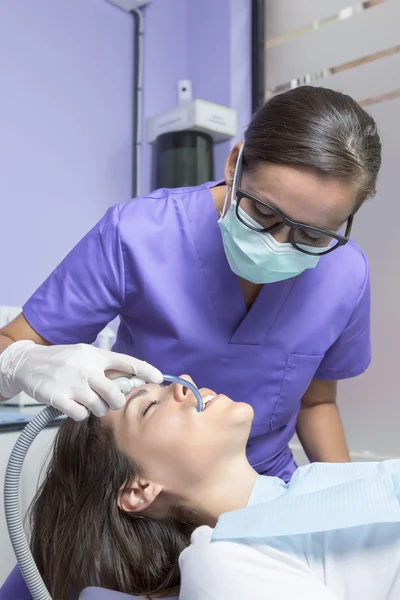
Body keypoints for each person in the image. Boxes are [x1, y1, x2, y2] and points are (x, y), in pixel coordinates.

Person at [0, 85, 382, 481]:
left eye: (313, 235)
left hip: (261, 484)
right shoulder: (139, 233)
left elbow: (315, 403)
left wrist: (345, 498)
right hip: (138, 481)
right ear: (235, 164)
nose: (279, 244)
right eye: (265, 212)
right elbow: (9, 348)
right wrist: (18, 363)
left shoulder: (345, 274)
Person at [26, 377, 400, 600]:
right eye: (149, 407)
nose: (184, 385)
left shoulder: (313, 489)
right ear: (140, 489)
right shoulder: (223, 563)